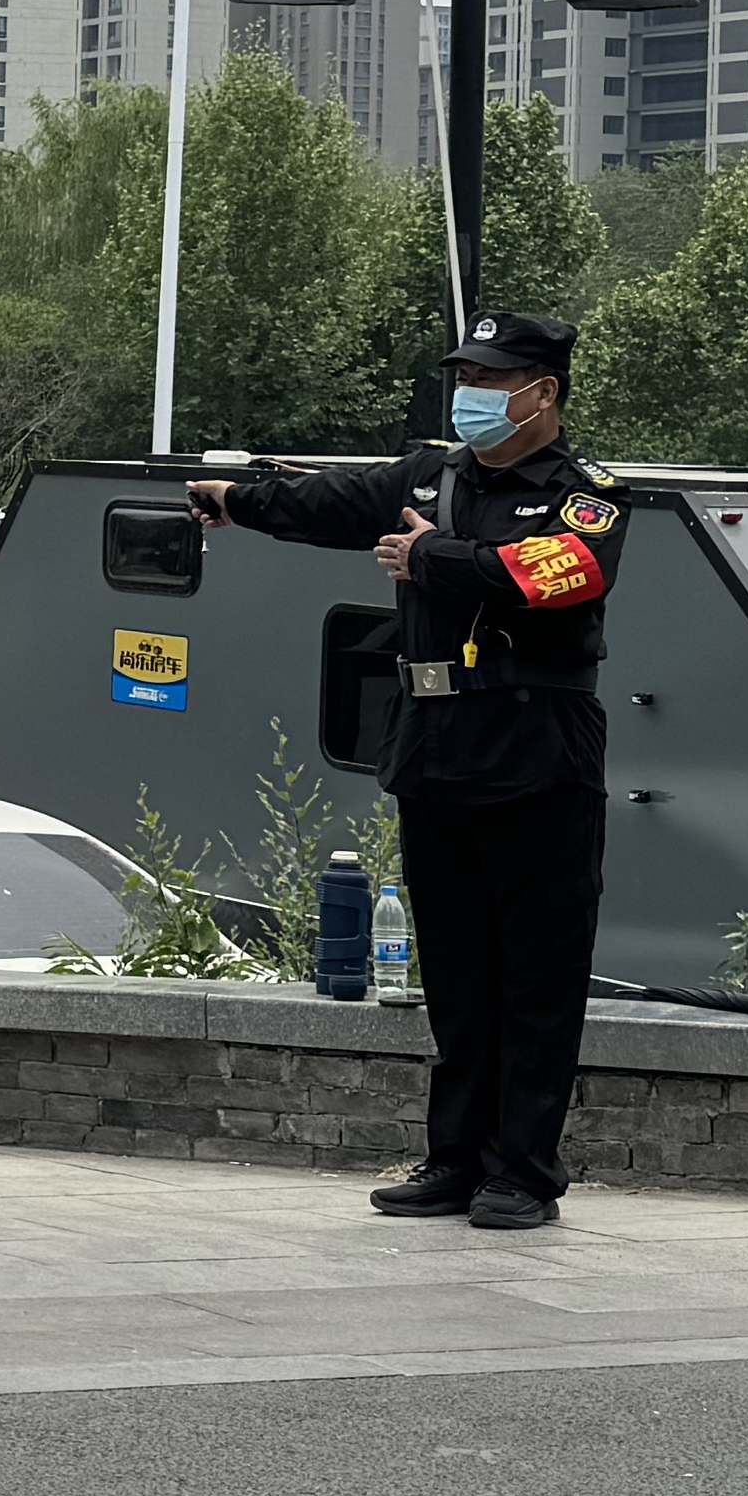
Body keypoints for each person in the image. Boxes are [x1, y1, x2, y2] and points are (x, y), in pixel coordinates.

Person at [192, 314, 618, 1234]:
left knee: (537, 975)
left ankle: (524, 1173)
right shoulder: (431, 476)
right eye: (464, 375)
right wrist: (235, 497)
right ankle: (455, 1161)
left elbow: (560, 577)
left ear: (542, 391)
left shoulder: (584, 494)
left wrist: (431, 557)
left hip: (537, 747)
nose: (470, 393)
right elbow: (330, 503)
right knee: (456, 972)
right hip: (436, 747)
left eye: (489, 379)